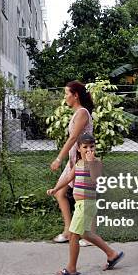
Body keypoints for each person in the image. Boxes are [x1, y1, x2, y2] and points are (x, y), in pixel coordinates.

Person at [47, 133, 124, 275]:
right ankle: (112, 254)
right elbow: (68, 178)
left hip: (87, 204)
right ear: (78, 149)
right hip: (81, 205)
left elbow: (96, 180)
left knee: (74, 234)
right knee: (86, 234)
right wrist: (56, 189)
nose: (89, 150)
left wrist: (90, 163)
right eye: (85, 147)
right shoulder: (78, 164)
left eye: (92, 147)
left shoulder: (96, 162)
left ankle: (71, 269)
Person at [49, 81, 94, 246]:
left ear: (75, 95)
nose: (65, 97)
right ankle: (68, 231)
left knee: (83, 198)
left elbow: (74, 138)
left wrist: (58, 158)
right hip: (74, 161)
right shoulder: (77, 113)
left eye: (67, 93)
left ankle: (89, 234)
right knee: (59, 193)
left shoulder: (82, 112)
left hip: (83, 161)